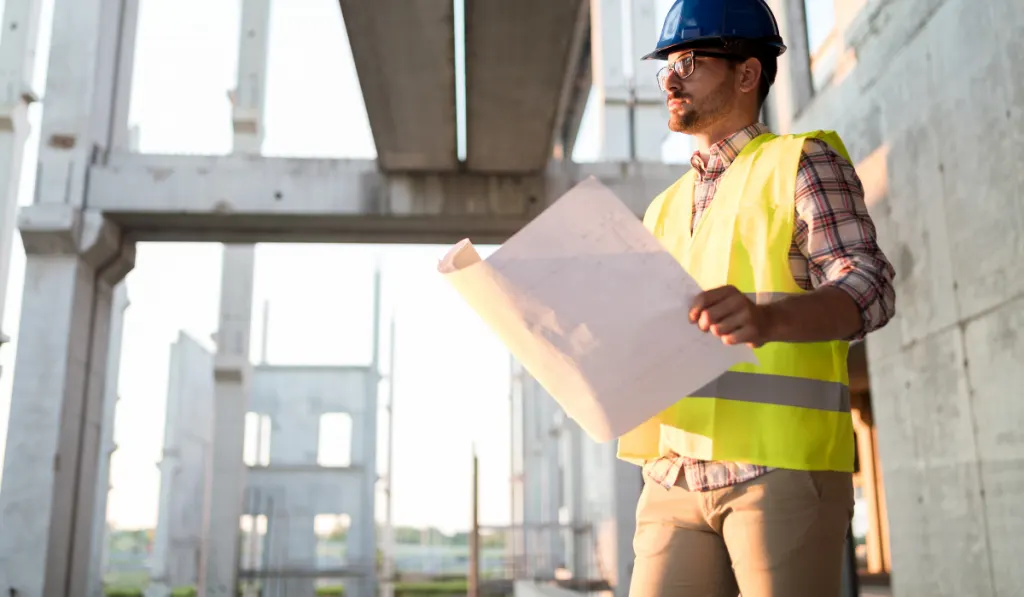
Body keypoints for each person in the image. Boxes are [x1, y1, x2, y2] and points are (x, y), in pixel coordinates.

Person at [616, 1, 897, 596]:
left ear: (747, 73)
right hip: (672, 474)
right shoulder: (662, 208)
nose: (670, 77)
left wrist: (769, 318)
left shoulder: (801, 163)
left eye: (688, 60)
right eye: (665, 63)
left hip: (777, 473)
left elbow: (869, 284)